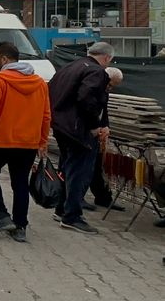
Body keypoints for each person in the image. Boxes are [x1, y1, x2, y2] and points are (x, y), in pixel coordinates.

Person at [0, 42, 51, 243]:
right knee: (20, 184)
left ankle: (0, 215)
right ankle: (20, 227)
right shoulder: (40, 83)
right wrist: (42, 141)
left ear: (5, 60)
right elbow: (46, 115)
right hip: (28, 144)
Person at [49, 42, 113, 234]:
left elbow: (51, 90)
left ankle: (61, 209)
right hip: (78, 129)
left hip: (61, 125)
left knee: (66, 167)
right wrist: (95, 126)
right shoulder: (96, 71)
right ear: (107, 58)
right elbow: (87, 99)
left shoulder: (69, 66)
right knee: (79, 171)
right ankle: (72, 216)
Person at [84, 66, 126, 212]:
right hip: (83, 131)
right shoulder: (90, 90)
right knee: (82, 167)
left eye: (113, 87)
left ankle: (103, 197)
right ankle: (76, 198)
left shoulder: (104, 92)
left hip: (96, 131)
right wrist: (94, 126)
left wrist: (105, 126)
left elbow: (104, 111)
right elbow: (86, 110)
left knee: (96, 166)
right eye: (109, 85)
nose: (110, 89)